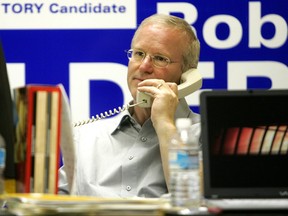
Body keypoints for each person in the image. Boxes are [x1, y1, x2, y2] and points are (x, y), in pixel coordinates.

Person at [58, 13, 201, 198]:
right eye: (139, 54)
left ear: (186, 74)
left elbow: (192, 198)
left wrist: (165, 124)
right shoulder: (85, 138)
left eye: (159, 58)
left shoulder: (205, 135)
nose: (143, 66)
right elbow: (52, 205)